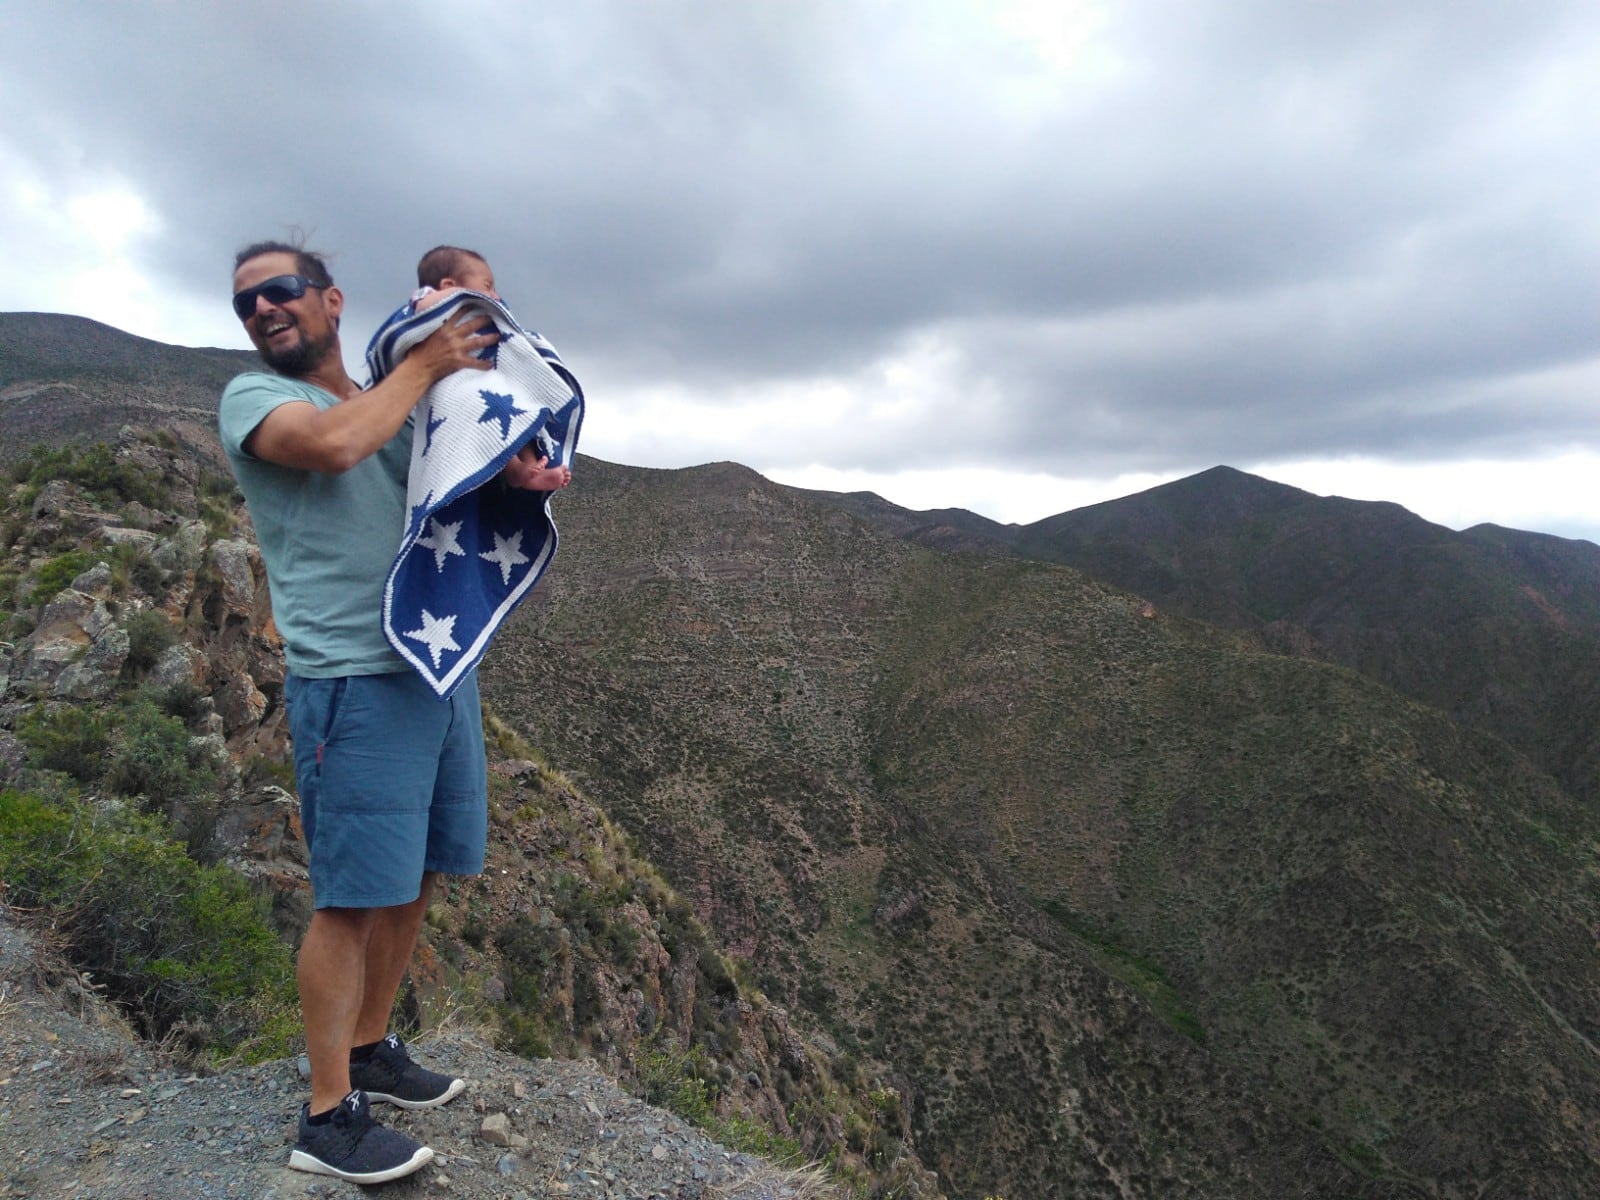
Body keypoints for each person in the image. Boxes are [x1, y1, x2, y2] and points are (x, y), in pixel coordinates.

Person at [218, 240, 533, 1184]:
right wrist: (426, 363)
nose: (264, 310)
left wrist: (519, 477)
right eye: (246, 303)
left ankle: (369, 1048)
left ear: (331, 299)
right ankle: (326, 1119)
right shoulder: (260, 401)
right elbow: (331, 447)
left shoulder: (388, 399)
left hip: (436, 666)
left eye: (281, 291)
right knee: (352, 898)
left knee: (419, 876)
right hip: (351, 678)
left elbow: (447, 487)